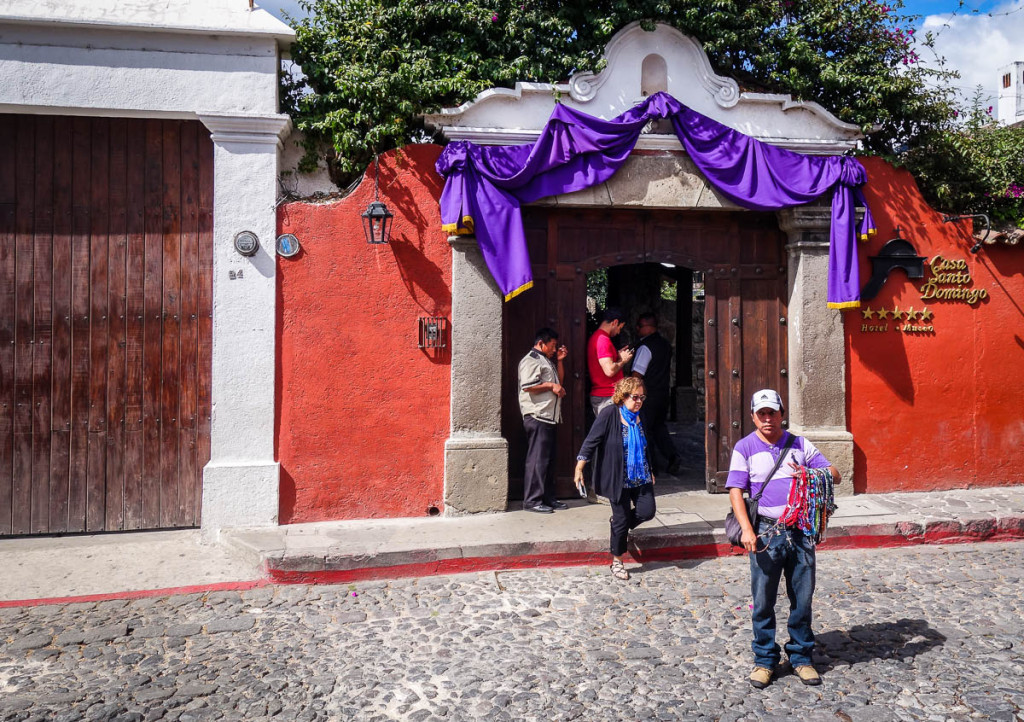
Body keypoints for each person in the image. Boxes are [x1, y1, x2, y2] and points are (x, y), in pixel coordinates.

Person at [726, 389, 840, 689]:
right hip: (765, 532)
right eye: (761, 413)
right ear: (752, 416)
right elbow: (736, 490)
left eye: (772, 412)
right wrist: (747, 530)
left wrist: (808, 473)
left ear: (781, 414)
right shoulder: (744, 447)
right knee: (763, 600)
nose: (767, 418)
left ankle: (801, 658)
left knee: (802, 599)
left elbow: (835, 474)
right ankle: (765, 661)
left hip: (801, 531)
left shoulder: (799, 444)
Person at [574, 377, 655, 581]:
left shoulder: (641, 415)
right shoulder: (610, 414)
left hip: (641, 476)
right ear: (623, 395)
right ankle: (617, 561)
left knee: (647, 511)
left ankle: (621, 523)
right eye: (635, 397)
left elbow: (646, 446)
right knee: (620, 519)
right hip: (618, 477)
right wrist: (579, 467)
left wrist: (651, 469)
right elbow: (592, 441)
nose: (639, 401)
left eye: (642, 397)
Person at [517, 327, 569, 514]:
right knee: (537, 460)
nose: (555, 349)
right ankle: (532, 501)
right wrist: (551, 385)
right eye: (553, 346)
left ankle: (548, 498)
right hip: (538, 416)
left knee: (547, 460)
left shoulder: (546, 361)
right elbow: (528, 386)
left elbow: (559, 383)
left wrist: (560, 362)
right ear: (541, 343)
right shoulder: (531, 360)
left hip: (549, 417)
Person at [630, 313, 682, 475]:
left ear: (648, 327)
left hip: (647, 395)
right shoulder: (665, 345)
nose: (637, 329)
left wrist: (634, 395)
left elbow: (637, 375)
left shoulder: (645, 347)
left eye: (640, 325)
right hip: (662, 393)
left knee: (645, 429)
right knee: (659, 428)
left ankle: (651, 466)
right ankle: (672, 456)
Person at [586, 307, 633, 418]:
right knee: (613, 433)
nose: (618, 332)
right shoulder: (603, 339)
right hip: (607, 396)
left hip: (606, 396)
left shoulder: (599, 338)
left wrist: (616, 356)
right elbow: (609, 370)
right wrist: (623, 360)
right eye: (620, 328)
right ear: (615, 322)